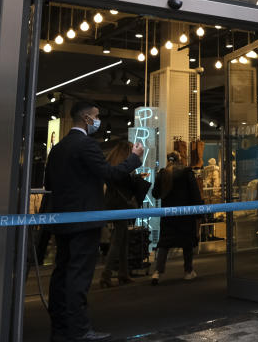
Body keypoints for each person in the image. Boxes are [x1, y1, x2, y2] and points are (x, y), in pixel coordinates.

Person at [44, 101, 143, 342]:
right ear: (87, 119)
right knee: (78, 276)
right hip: (85, 220)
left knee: (62, 273)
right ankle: (79, 329)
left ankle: (60, 326)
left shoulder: (58, 149)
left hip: (63, 220)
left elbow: (49, 184)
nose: (99, 121)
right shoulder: (86, 145)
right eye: (96, 116)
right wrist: (134, 158)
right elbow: (110, 174)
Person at [150, 151, 203, 285]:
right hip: (186, 213)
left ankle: (157, 272)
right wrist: (199, 213)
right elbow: (195, 193)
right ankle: (188, 271)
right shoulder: (187, 172)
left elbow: (155, 193)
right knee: (187, 242)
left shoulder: (163, 173)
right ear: (180, 159)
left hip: (168, 214)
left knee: (164, 243)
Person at [99, 141, 142, 287]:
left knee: (123, 238)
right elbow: (127, 186)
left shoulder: (111, 164)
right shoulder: (123, 169)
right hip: (121, 205)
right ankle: (106, 275)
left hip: (112, 204)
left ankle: (123, 273)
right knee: (118, 241)